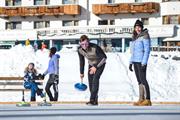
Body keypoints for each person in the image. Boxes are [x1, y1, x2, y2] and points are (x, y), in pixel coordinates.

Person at [78, 35, 107, 105]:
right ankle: (95, 100)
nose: (84, 45)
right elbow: (82, 61)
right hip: (91, 65)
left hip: (100, 64)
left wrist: (96, 67)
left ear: (88, 42)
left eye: (86, 43)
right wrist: (81, 73)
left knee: (95, 79)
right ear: (80, 43)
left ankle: (92, 99)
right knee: (90, 82)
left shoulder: (95, 47)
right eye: (82, 44)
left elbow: (104, 58)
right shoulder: (80, 50)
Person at [129, 20, 151, 106]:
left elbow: (147, 50)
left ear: (141, 28)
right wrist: (131, 62)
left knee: (143, 80)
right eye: (136, 27)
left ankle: (148, 99)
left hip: (141, 62)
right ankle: (141, 99)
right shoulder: (135, 37)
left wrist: (144, 62)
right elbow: (133, 52)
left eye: (139, 27)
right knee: (139, 81)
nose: (137, 29)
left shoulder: (145, 35)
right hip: (135, 61)